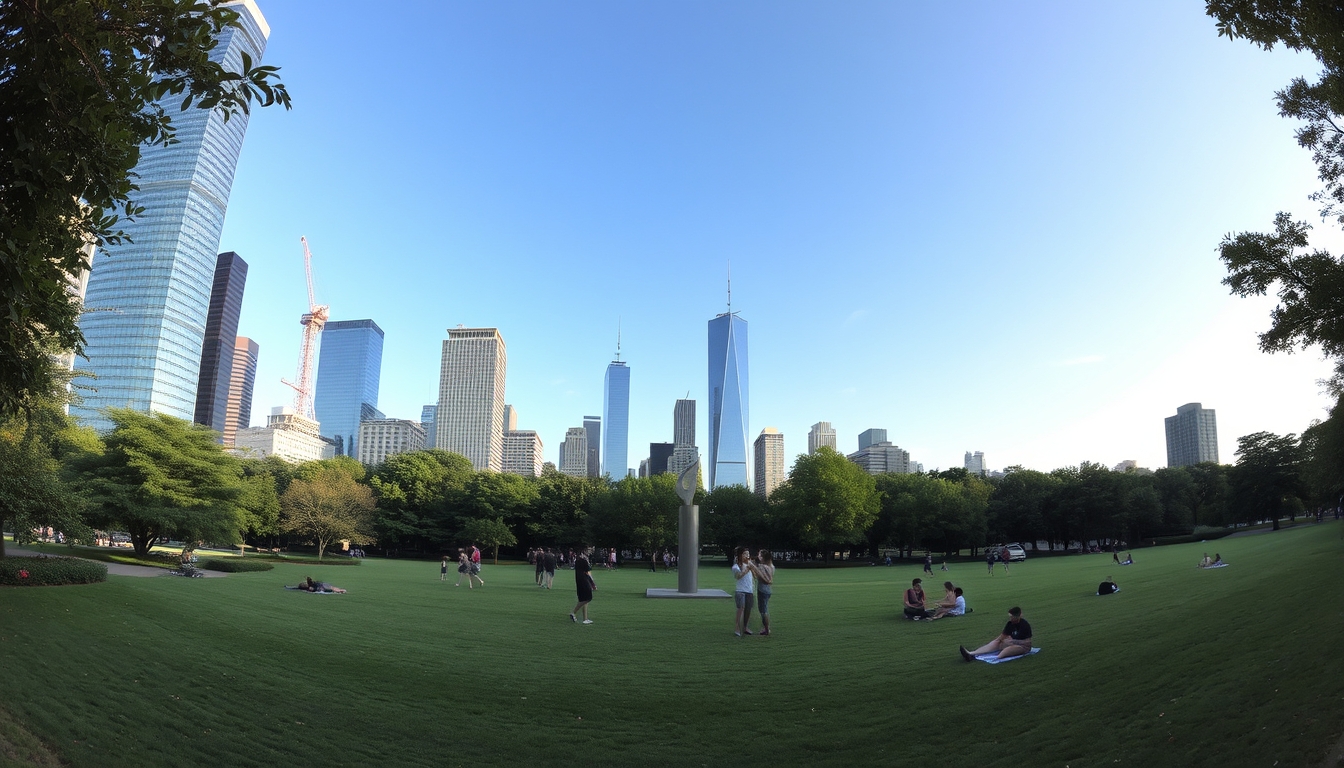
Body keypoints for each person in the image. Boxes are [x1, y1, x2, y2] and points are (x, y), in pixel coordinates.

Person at [960, 606, 1032, 661]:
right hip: (1011, 643)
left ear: (1017, 617)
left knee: (1004, 652)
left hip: (1023, 647)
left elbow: (1028, 642)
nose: (1010, 619)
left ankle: (994, 657)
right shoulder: (1010, 624)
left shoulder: (1024, 625)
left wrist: (1013, 641)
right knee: (996, 643)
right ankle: (971, 654)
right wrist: (997, 641)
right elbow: (1002, 636)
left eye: (1012, 617)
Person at [732, 546, 757, 637]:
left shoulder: (749, 565)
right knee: (740, 609)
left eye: (748, 554)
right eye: (745, 554)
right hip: (740, 591)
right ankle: (737, 628)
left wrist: (753, 569)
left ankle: (745, 627)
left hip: (749, 590)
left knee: (748, 610)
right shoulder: (736, 566)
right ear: (740, 555)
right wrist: (747, 569)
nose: (747, 556)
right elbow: (738, 576)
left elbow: (755, 576)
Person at [571, 548, 596, 624]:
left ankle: (585, 619)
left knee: (583, 599)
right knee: (588, 598)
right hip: (584, 580)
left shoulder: (577, 560)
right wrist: (593, 583)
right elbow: (588, 572)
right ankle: (573, 612)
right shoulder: (585, 560)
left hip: (578, 580)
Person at [755, 550, 775, 636]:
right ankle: (766, 628)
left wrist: (755, 569)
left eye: (759, 555)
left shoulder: (762, 566)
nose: (758, 557)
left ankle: (766, 629)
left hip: (763, 590)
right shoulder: (771, 566)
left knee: (763, 611)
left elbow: (763, 578)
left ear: (763, 557)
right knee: (764, 609)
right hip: (768, 591)